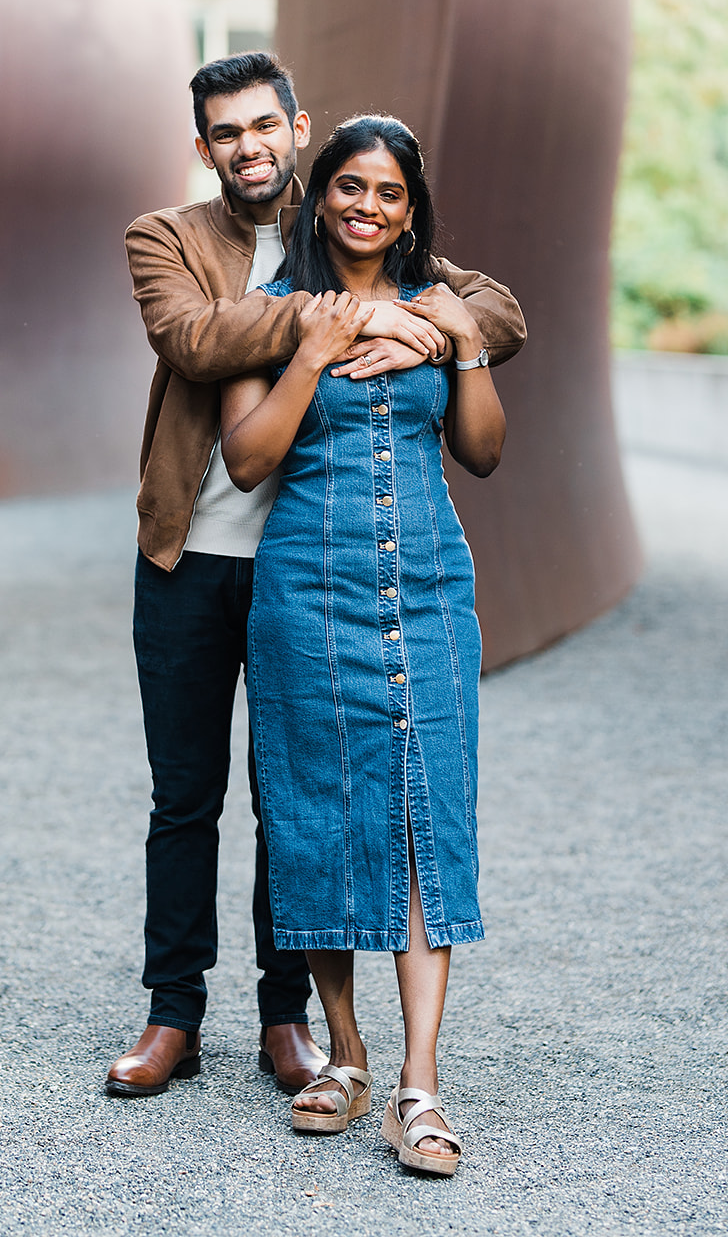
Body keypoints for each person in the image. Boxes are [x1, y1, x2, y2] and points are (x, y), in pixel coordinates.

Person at [107, 53, 525, 1101]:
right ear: (204, 148)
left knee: (297, 797)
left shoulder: (352, 212)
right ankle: (173, 1014)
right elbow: (194, 336)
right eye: (226, 133)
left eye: (264, 125)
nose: (249, 145)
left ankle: (287, 1017)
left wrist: (415, 316)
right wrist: (345, 319)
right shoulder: (171, 239)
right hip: (197, 554)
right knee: (184, 794)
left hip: (325, 562)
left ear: (298, 130)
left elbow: (500, 312)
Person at [221, 113, 505, 1176]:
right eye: (348, 186)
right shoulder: (271, 312)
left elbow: (481, 449)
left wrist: (461, 339)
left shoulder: (442, 306)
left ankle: (419, 1083)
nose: (366, 207)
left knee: (428, 807)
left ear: (410, 206)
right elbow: (247, 459)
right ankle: (343, 1052)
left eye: (388, 191)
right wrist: (314, 353)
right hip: (307, 587)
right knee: (319, 808)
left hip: (428, 590)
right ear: (320, 193)